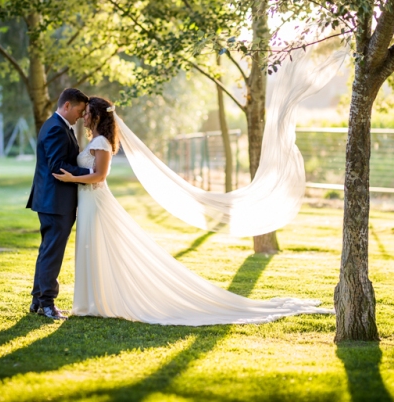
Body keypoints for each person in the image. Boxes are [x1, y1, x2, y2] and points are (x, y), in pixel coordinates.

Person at [52, 96, 332, 326]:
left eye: (87, 112)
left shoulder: (101, 143)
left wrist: (71, 178)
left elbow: (99, 176)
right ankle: (92, 301)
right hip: (88, 201)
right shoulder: (95, 140)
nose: (84, 115)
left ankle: (96, 302)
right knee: (91, 248)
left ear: (97, 116)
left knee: (97, 246)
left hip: (96, 200)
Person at [26, 88, 91, 321]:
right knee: (52, 253)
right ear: (67, 106)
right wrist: (91, 172)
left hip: (52, 201)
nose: (82, 116)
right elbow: (57, 166)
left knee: (47, 251)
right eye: (79, 110)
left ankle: (37, 300)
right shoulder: (56, 128)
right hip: (54, 202)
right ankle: (47, 304)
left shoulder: (58, 125)